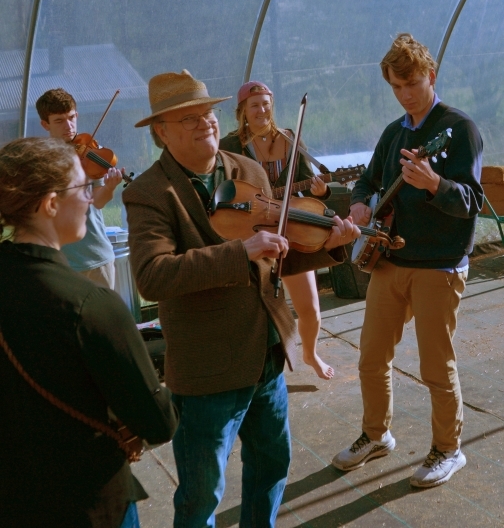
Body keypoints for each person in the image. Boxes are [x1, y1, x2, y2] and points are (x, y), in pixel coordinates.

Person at [122, 69, 360, 526]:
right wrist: (239, 252)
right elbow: (152, 276)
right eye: (186, 118)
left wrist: (331, 246)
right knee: (202, 495)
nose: (204, 123)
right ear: (161, 132)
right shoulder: (149, 193)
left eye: (206, 112)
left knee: (272, 468)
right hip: (209, 368)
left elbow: (274, 256)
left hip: (266, 356)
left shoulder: (247, 170)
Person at [0, 136, 179, 528]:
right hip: (87, 504)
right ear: (50, 204)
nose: (91, 197)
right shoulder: (92, 306)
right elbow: (159, 422)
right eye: (84, 187)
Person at [331, 33, 484, 488]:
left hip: (439, 265)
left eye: (412, 84)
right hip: (390, 261)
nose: (404, 95)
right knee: (371, 356)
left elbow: (473, 201)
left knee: (437, 366)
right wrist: (359, 204)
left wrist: (434, 183)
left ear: (430, 77)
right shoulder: (394, 132)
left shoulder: (459, 128)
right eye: (396, 87)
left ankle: (448, 450)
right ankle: (376, 435)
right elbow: (366, 181)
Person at [220, 80, 334, 379]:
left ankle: (309, 353)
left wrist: (320, 193)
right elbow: (223, 190)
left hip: (291, 231)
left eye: (266, 104)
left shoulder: (290, 138)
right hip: (251, 233)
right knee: (255, 313)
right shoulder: (230, 146)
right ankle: (255, 367)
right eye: (255, 105)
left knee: (310, 311)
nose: (262, 110)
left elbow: (310, 185)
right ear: (242, 111)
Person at [36, 88, 123, 288]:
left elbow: (98, 202)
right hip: (61, 263)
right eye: (59, 121)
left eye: (72, 117)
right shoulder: (41, 161)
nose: (69, 126)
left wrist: (109, 188)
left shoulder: (88, 151)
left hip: (96, 255)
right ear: (44, 124)